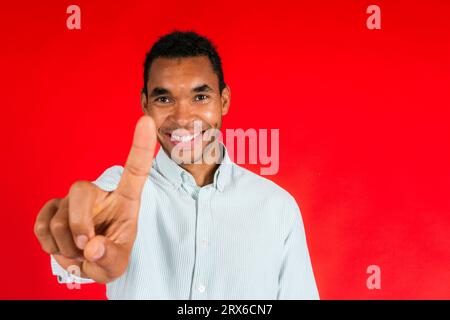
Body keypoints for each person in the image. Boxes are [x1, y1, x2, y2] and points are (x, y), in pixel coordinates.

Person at [34, 30, 319, 299]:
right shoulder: (120, 191)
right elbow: (87, 230)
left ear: (224, 100)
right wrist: (79, 238)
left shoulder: (277, 207)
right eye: (164, 98)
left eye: (200, 97)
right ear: (145, 104)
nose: (183, 118)